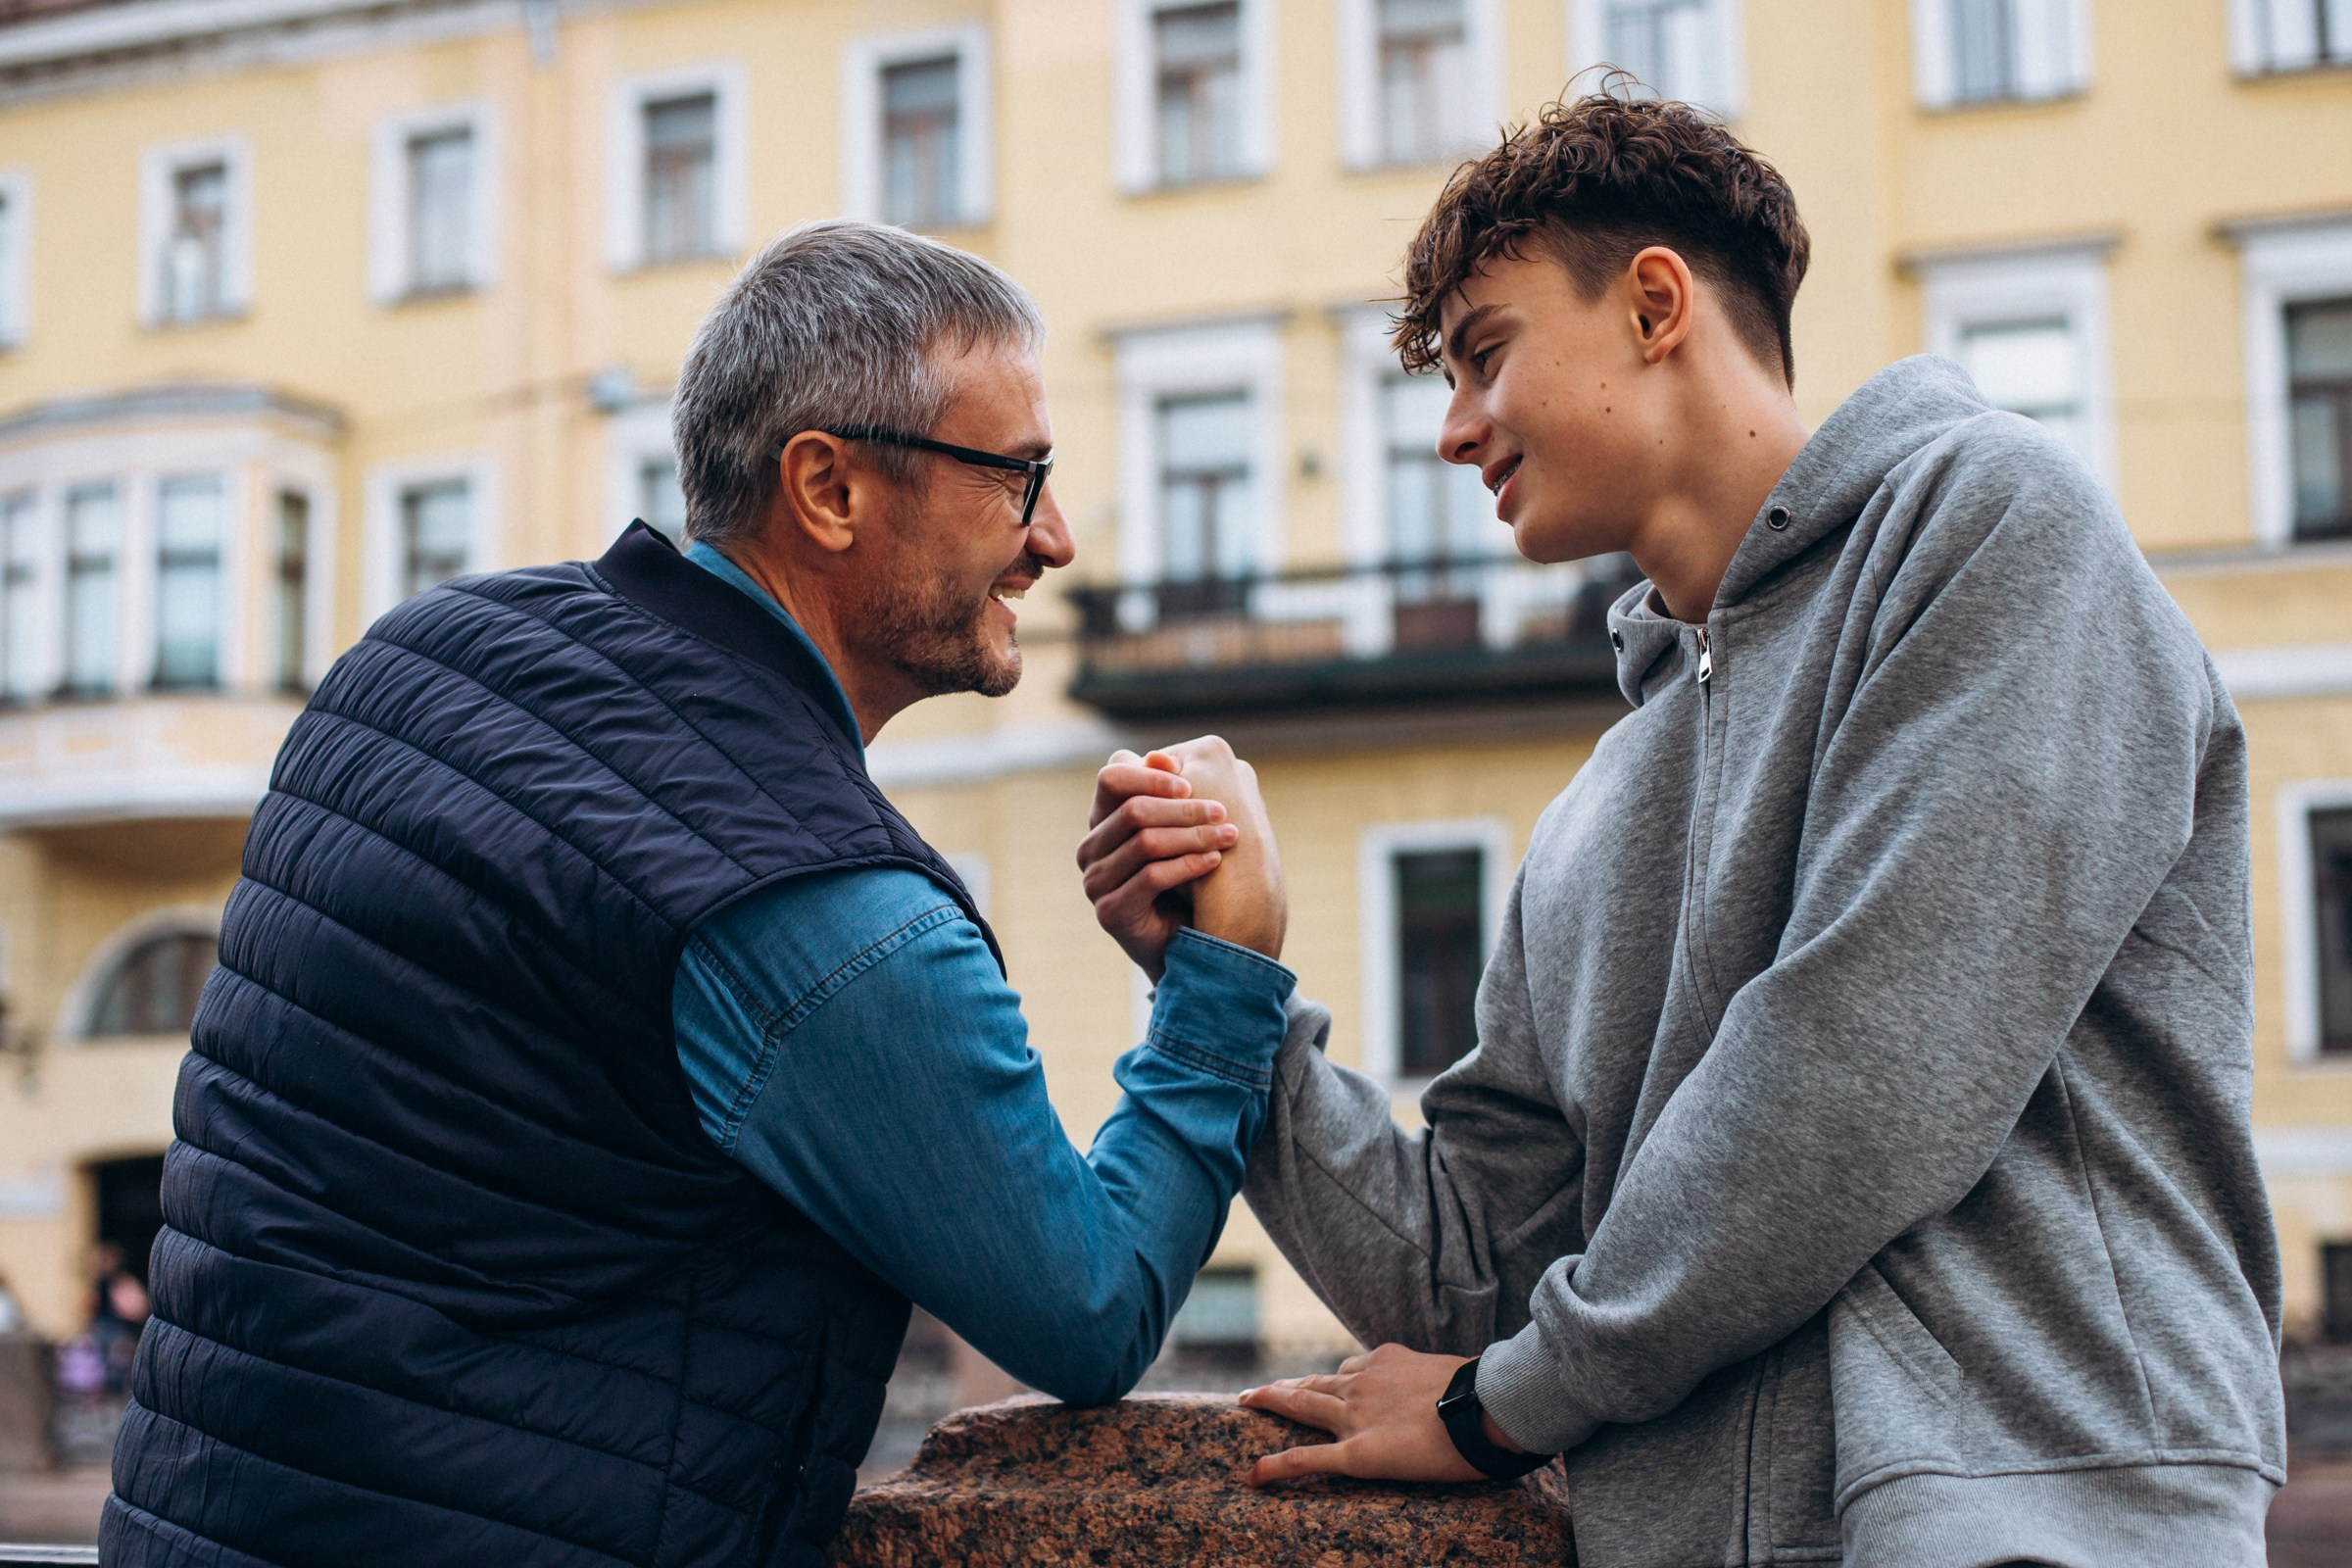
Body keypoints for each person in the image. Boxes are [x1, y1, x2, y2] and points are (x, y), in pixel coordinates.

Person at [1081, 93, 2285, 1567]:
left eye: (1485, 355)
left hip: (2032, 1517)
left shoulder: (1991, 527)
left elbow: (1865, 1064)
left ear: (1656, 303)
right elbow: (1474, 1279)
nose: (1455, 431)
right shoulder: (1595, 811)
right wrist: (1229, 986)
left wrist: (1505, 1410)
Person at [101, 220, 1293, 1568]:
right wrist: (1224, 980)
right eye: (1019, 477)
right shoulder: (827, 906)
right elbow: (1086, 1306)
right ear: (829, 489)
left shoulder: (417, 661)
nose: (1054, 541)